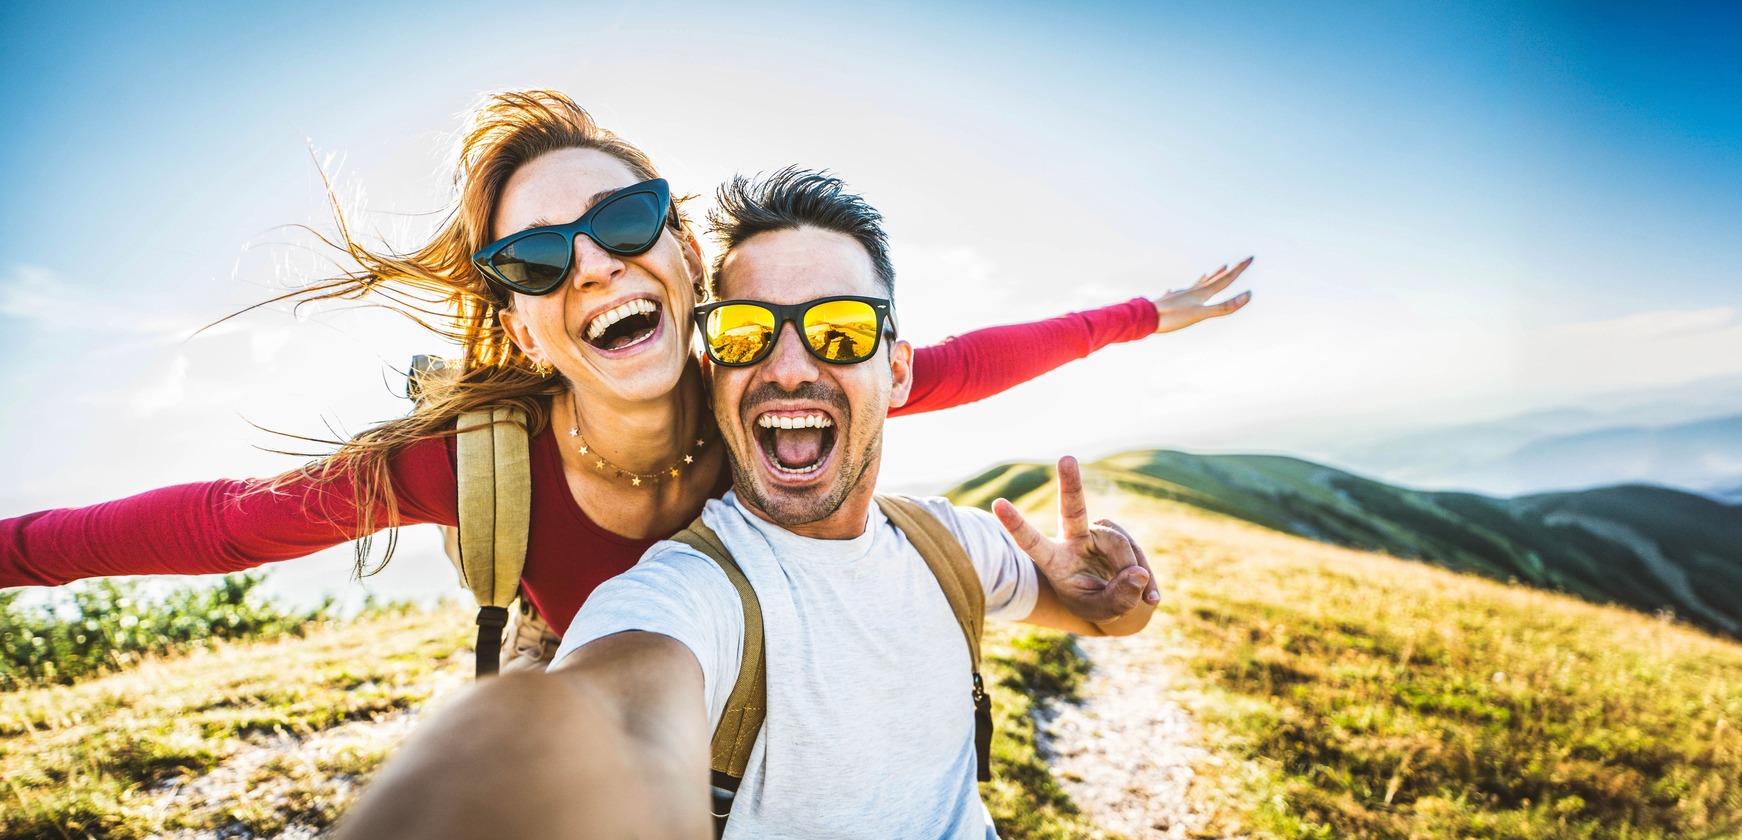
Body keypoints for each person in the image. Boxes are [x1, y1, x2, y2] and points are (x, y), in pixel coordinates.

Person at [0, 89, 1250, 663]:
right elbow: (226, 526)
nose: (592, 263)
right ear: (523, 322)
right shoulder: (478, 462)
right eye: (537, 258)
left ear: (686, 248)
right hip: (586, 668)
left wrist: (1147, 312)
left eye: (624, 215)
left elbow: (965, 363)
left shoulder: (764, 388)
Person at [333, 169, 1161, 839]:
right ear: (710, 365)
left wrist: (1112, 605)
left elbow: (1100, 619)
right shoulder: (686, 596)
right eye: (745, 334)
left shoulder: (953, 545)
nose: (791, 367)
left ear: (899, 372)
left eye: (838, 330)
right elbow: (610, 715)